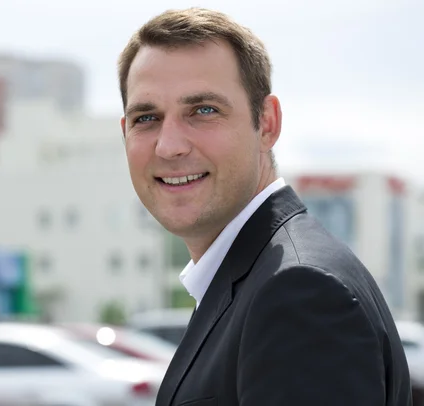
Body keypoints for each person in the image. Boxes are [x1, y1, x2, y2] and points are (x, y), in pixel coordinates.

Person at [117, 7, 412, 406]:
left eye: (203, 110)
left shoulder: (300, 294)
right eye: (146, 117)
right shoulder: (261, 277)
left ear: (267, 124)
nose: (169, 145)